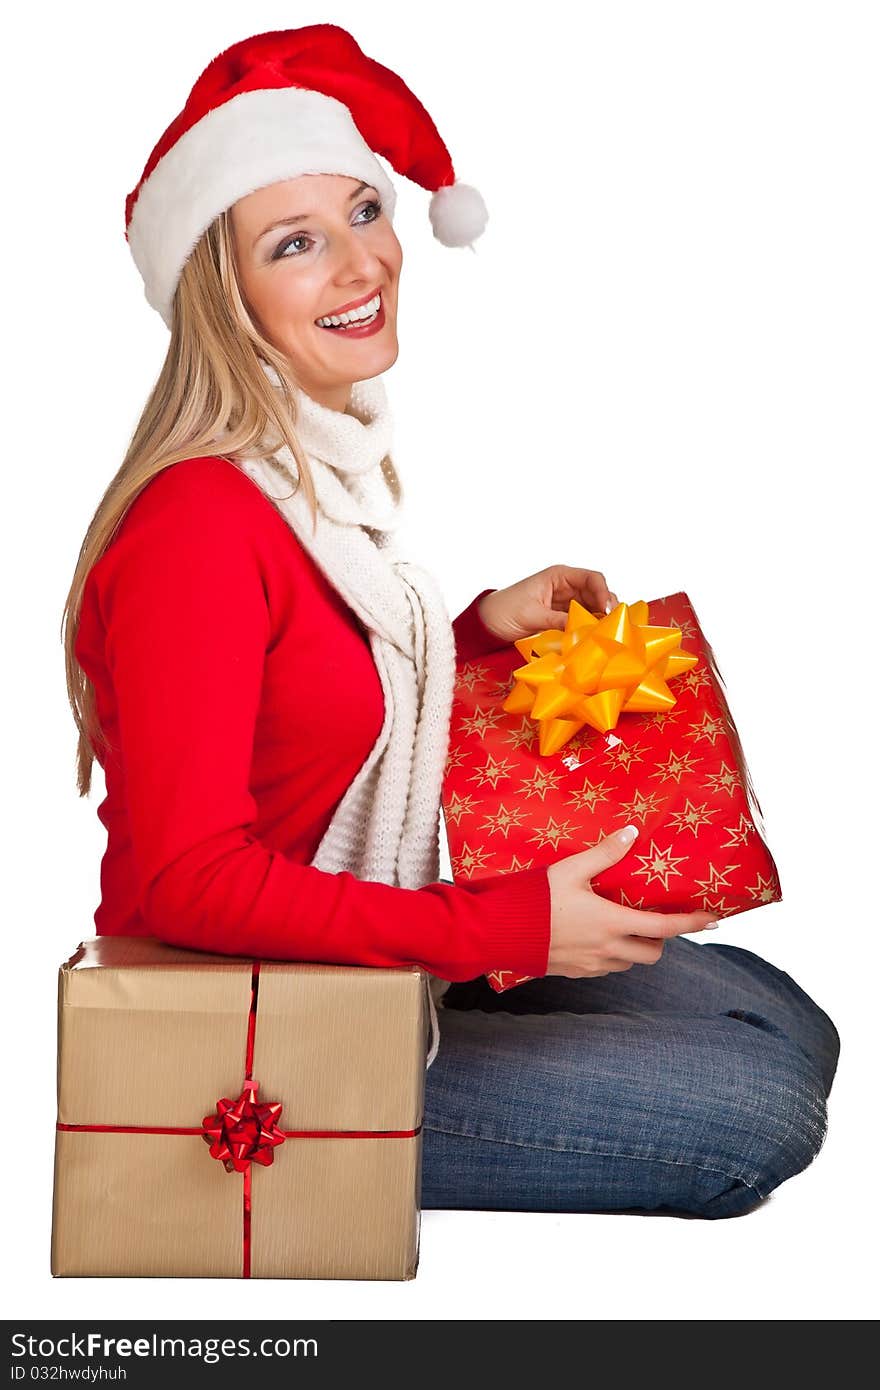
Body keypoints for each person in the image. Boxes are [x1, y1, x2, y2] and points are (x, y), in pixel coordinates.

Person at [62, 25, 839, 1223]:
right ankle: (255, 1162)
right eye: (296, 244)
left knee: (778, 1015)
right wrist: (502, 924)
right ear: (224, 295)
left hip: (359, 931)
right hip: (249, 1018)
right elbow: (186, 880)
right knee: (760, 1107)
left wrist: (475, 633)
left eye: (366, 212)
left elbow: (315, 696)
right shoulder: (199, 525)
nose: (361, 264)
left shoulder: (304, 470)